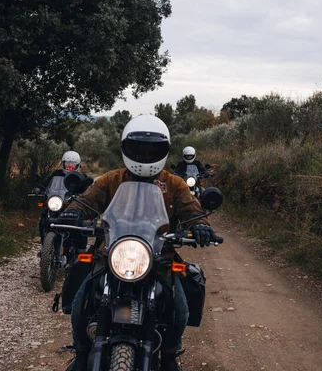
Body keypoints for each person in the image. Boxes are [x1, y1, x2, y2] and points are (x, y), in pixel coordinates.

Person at [65, 114, 218, 371]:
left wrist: (201, 226)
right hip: (112, 254)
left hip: (159, 259)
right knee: (81, 299)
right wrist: (75, 210)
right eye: (139, 149)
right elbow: (87, 199)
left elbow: (192, 210)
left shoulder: (175, 184)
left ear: (164, 151)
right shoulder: (111, 179)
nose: (145, 155)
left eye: (152, 150)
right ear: (127, 148)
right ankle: (81, 351)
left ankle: (169, 354)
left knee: (180, 308)